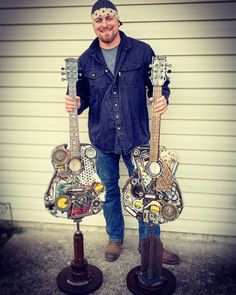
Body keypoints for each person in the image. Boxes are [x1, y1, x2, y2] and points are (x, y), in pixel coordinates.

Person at [65, 0, 180, 265]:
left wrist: (162, 98)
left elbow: (160, 83)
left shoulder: (141, 51)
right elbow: (80, 94)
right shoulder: (86, 59)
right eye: (98, 20)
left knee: (148, 190)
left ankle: (149, 244)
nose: (104, 24)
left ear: (118, 21)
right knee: (109, 191)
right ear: (93, 25)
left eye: (109, 19)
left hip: (137, 136)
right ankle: (115, 238)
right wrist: (76, 102)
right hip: (103, 138)